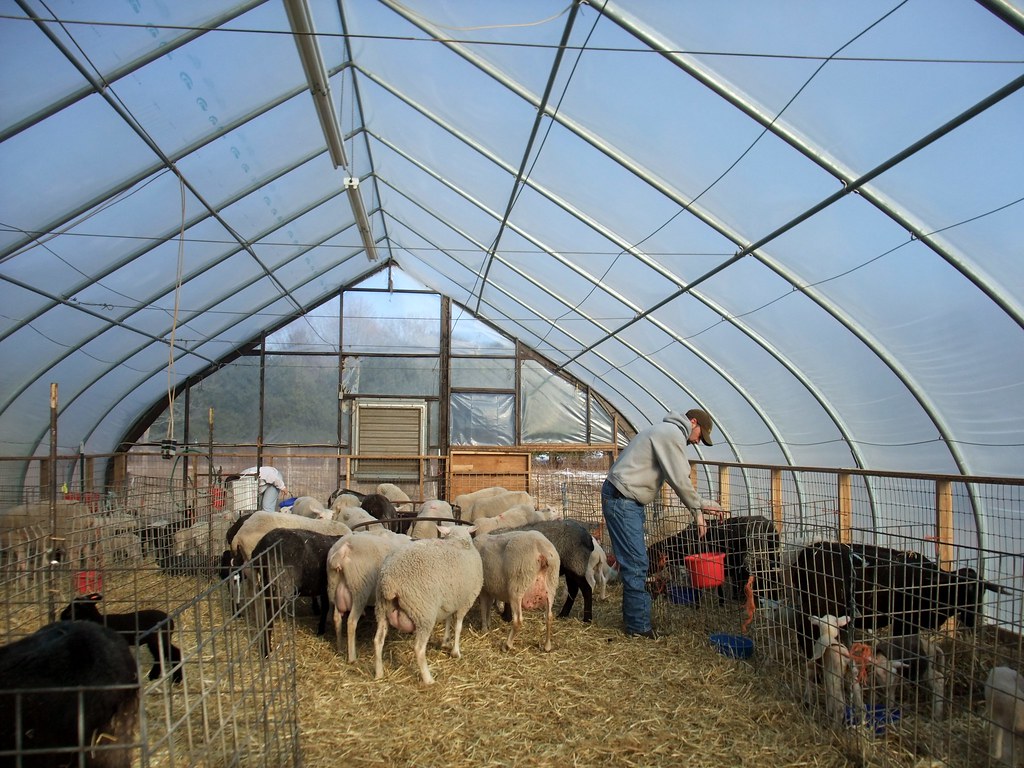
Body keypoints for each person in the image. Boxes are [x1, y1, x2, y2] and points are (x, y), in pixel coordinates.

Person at [601, 408, 725, 638]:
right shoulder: (671, 434)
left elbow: (674, 476)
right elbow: (679, 477)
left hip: (628, 499)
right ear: (693, 422)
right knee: (637, 564)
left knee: (636, 561)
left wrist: (697, 511)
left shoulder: (665, 431)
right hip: (623, 499)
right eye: (700, 435)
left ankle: (636, 621)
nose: (698, 441)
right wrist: (699, 506)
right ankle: (638, 628)